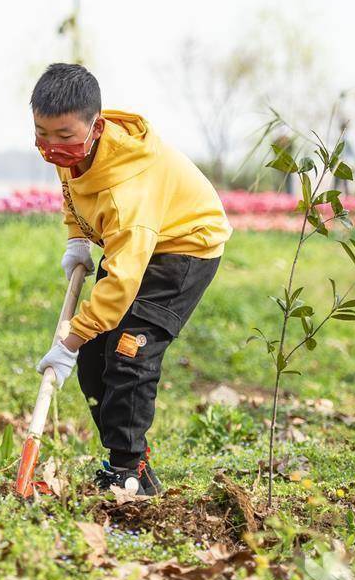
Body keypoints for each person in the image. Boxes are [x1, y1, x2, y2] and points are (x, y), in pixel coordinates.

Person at [31, 63, 233, 496]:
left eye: (63, 136)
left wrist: (67, 340)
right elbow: (72, 191)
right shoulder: (70, 151)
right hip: (136, 246)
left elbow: (121, 283)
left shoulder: (128, 193)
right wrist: (76, 239)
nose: (52, 147)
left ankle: (127, 472)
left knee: (129, 351)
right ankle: (129, 458)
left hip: (184, 247)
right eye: (42, 134)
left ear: (95, 126)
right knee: (92, 359)